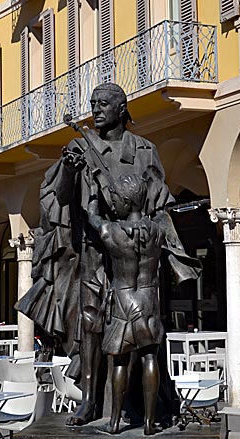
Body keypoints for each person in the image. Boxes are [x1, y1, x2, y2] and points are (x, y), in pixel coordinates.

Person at [16, 83, 201, 427]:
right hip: (94, 248)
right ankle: (89, 400)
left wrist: (159, 239)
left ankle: (145, 405)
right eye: (93, 104)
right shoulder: (79, 146)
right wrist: (70, 170)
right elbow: (61, 198)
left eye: (103, 104)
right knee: (90, 321)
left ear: (122, 108)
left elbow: (160, 203)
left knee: (145, 333)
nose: (96, 110)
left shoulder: (145, 150)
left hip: (134, 250)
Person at [87, 174, 164, 435]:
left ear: (128, 201)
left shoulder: (112, 231)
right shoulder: (157, 232)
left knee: (119, 361)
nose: (115, 204)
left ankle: (115, 421)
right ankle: (150, 423)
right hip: (149, 300)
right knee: (149, 357)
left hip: (123, 300)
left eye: (118, 200)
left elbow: (93, 218)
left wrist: (94, 195)